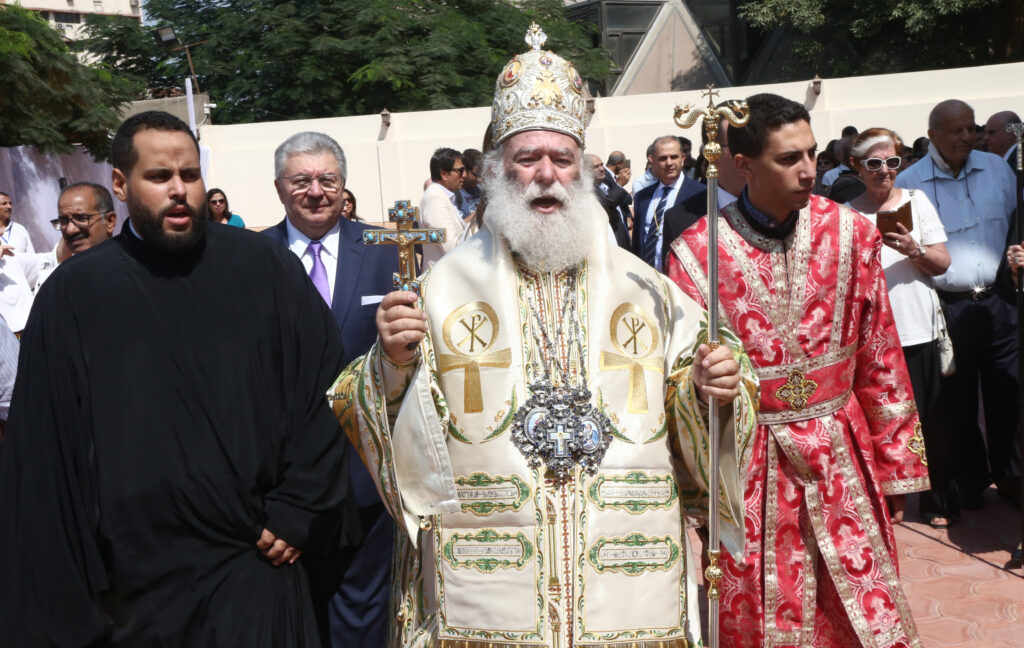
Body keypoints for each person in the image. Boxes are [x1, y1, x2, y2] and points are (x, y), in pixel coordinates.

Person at [328, 25, 757, 648]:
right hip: (488, 573)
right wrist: (392, 363)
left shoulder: (649, 291)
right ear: (497, 170)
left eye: (561, 159)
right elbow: (362, 404)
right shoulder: (442, 288)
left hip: (623, 571)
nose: (546, 176)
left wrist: (710, 387)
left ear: (582, 170)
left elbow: (714, 393)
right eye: (527, 159)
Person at [0, 111, 360, 646]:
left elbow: (328, 389)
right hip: (138, 588)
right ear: (120, 185)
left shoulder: (263, 266)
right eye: (159, 176)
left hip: (257, 565)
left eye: (189, 176)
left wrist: (299, 509)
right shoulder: (75, 295)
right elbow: (47, 451)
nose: (178, 191)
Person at [668, 93, 928, 647]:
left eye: (811, 153)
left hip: (842, 448)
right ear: (743, 165)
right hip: (752, 462)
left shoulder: (854, 233)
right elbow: (678, 376)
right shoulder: (695, 254)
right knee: (764, 612)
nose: (809, 169)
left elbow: (879, 349)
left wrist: (896, 460)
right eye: (789, 159)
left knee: (859, 606)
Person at [262, 130, 399, 648]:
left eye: (328, 180)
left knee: (364, 612)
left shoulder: (387, 252)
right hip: (282, 481)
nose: (316, 191)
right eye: (302, 181)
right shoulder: (251, 257)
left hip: (362, 473)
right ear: (280, 188)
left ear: (344, 187)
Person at [896, 99, 1020, 510]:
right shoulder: (911, 183)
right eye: (956, 130)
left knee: (1007, 391)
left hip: (1001, 302)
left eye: (972, 128)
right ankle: (968, 481)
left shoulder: (998, 169)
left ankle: (1012, 477)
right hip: (947, 305)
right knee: (957, 400)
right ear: (932, 136)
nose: (967, 137)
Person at [847, 127, 955, 526]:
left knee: (932, 419)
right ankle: (885, 500)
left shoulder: (917, 200)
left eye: (893, 162)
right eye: (874, 163)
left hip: (917, 327)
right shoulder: (847, 214)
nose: (885, 170)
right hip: (871, 336)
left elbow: (943, 263)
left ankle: (937, 501)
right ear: (857, 167)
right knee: (879, 421)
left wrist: (914, 249)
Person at [631, 135, 706, 271]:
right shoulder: (642, 197)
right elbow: (637, 242)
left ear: (683, 159)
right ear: (652, 161)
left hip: (683, 280)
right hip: (647, 278)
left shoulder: (701, 194)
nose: (669, 162)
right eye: (663, 158)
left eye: (674, 157)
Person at [419, 147, 467, 267]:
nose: (464, 175)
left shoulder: (442, 196)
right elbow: (451, 246)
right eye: (460, 171)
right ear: (444, 174)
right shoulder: (434, 198)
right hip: (443, 277)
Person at [586, 153, 631, 248]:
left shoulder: (603, 185)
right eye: (596, 166)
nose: (602, 169)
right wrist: (619, 185)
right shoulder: (587, 190)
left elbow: (623, 200)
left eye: (602, 164)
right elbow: (605, 205)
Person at [458, 148, 484, 219]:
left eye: (482, 174)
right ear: (465, 170)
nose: (480, 180)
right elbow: (458, 228)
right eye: (476, 174)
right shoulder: (455, 195)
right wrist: (479, 212)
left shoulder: (482, 189)